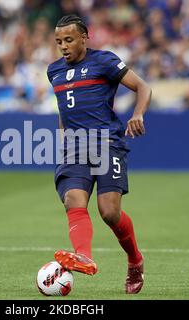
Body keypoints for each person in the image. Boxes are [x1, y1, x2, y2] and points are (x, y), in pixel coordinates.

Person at [47, 15, 152, 294]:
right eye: (59, 41)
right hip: (74, 147)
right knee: (73, 199)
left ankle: (135, 261)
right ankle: (84, 255)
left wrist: (138, 114)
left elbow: (143, 87)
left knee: (109, 212)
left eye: (69, 40)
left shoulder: (103, 61)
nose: (64, 46)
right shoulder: (53, 71)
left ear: (84, 37)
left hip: (107, 144)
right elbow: (64, 109)